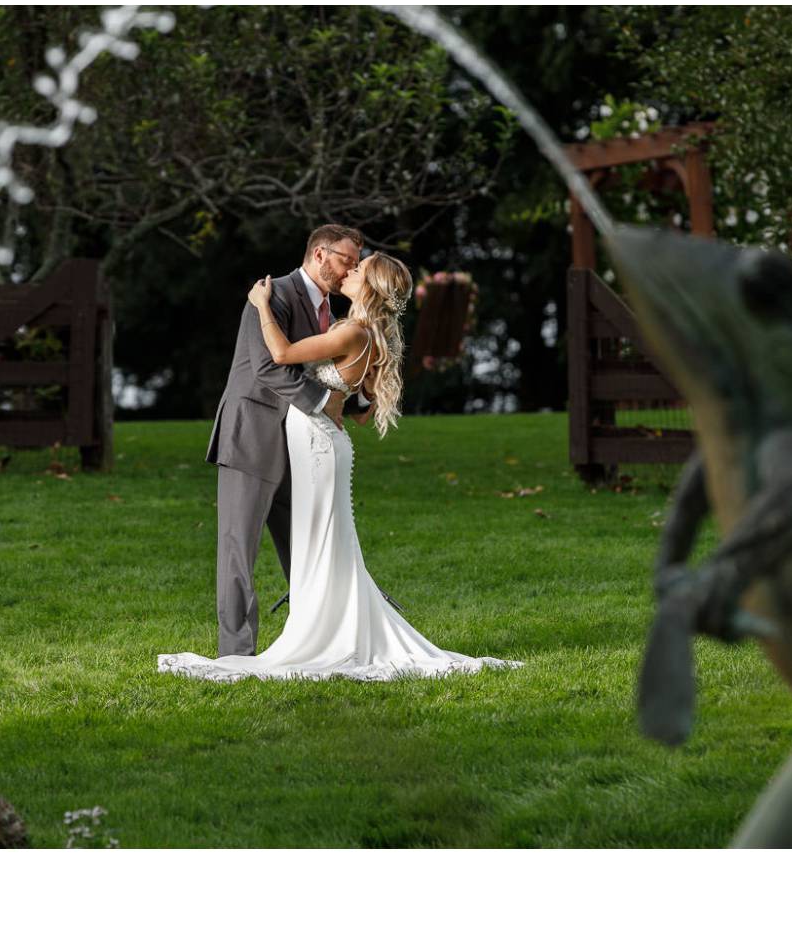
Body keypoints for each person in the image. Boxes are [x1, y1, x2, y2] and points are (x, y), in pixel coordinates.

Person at [158, 252, 522, 682]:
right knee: (326, 540)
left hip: (317, 446)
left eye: (357, 270)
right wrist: (341, 394)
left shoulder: (352, 330)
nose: (348, 273)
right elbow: (364, 411)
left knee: (321, 539)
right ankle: (332, 626)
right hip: (321, 442)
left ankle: (325, 635)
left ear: (368, 287)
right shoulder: (370, 333)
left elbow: (282, 351)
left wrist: (259, 304)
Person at [202, 224, 364, 657]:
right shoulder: (272, 295)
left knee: (307, 546)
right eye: (346, 260)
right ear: (319, 254)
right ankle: (236, 651)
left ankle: (316, 641)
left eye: (356, 263)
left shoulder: (335, 311)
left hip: (300, 443)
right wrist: (325, 401)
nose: (352, 270)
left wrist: (357, 398)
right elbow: (266, 369)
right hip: (252, 435)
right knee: (239, 548)